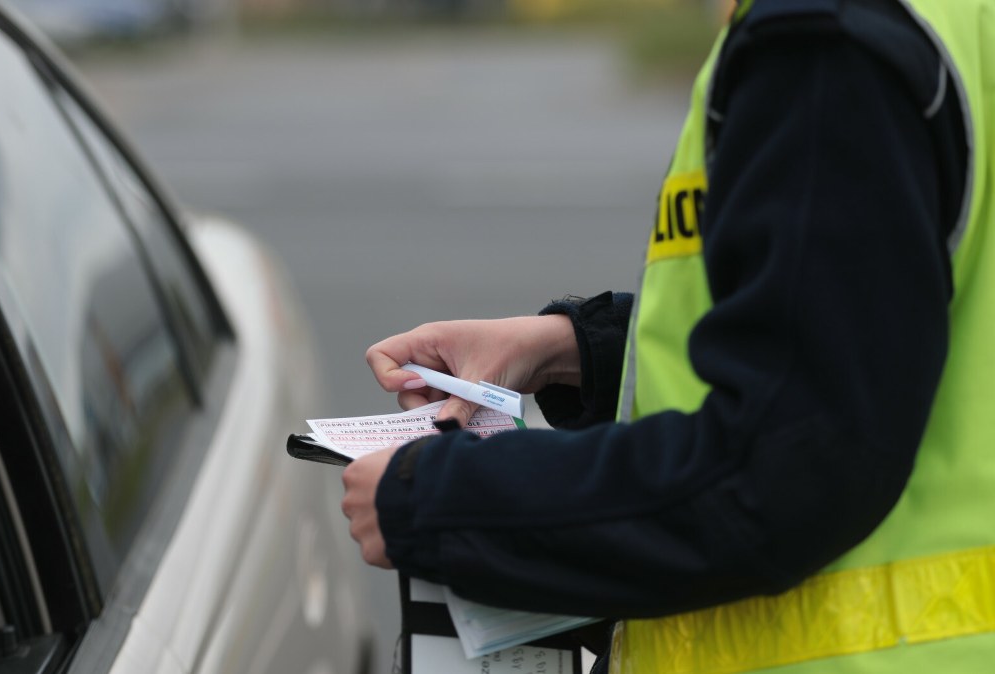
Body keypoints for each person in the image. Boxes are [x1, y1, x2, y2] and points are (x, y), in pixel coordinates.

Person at [340, 1, 995, 672]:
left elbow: (779, 472)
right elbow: (871, 331)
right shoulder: (944, 19)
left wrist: (435, 501)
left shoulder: (821, 42)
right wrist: (575, 348)